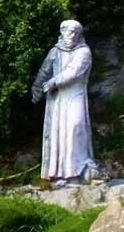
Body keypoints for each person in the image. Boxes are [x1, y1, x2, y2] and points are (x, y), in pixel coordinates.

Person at [32, 19, 100, 184]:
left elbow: (73, 71)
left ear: (78, 34)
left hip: (75, 96)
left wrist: (54, 82)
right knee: (58, 133)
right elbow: (44, 70)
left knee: (75, 128)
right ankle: (59, 174)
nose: (70, 35)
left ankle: (75, 172)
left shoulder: (84, 52)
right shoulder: (56, 51)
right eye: (67, 32)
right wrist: (37, 88)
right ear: (62, 33)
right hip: (57, 100)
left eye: (73, 32)